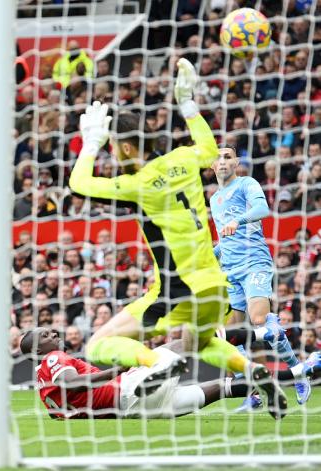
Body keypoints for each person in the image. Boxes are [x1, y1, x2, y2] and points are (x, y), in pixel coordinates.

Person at [68, 61, 287, 419]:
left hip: (177, 288)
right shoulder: (185, 159)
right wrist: (187, 104)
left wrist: (91, 143)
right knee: (199, 342)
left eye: (112, 149)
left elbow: (79, 184)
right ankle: (252, 372)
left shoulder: (136, 185)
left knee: (98, 345)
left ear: (122, 149)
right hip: (216, 283)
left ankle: (157, 364)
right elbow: (207, 147)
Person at [20, 327, 315, 420]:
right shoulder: (54, 359)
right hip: (128, 388)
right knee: (183, 341)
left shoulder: (42, 385)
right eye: (45, 334)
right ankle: (261, 333)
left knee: (221, 387)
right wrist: (116, 370)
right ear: (37, 348)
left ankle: (295, 373)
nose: (54, 333)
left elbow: (60, 411)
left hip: (139, 411)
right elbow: (72, 382)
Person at [211, 145, 311, 407]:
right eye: (217, 159)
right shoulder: (214, 199)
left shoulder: (247, 184)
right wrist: (214, 253)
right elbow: (225, 237)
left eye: (227, 157)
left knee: (258, 320)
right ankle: (253, 393)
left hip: (254, 262)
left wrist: (238, 221)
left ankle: (298, 372)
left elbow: (262, 210)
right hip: (230, 271)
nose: (222, 162)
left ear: (236, 163)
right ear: (211, 167)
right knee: (231, 336)